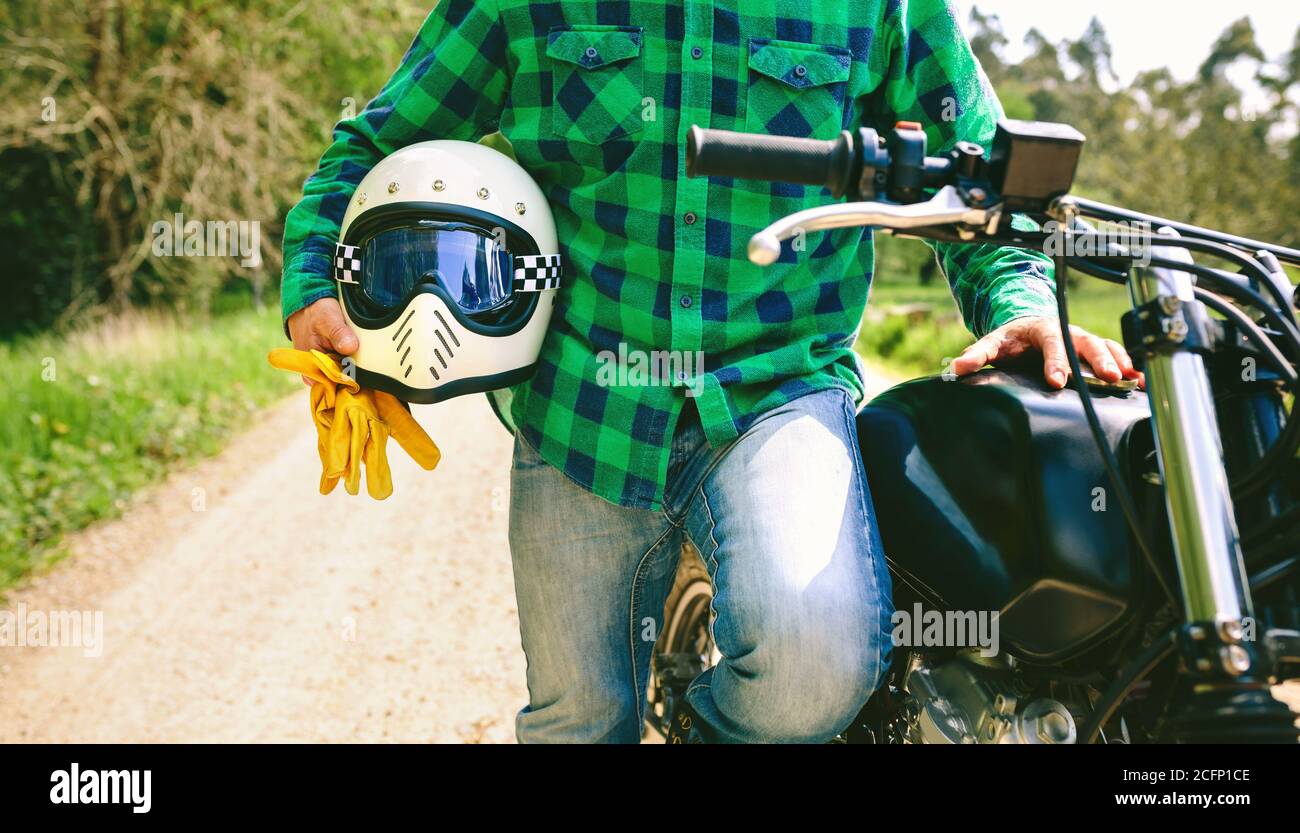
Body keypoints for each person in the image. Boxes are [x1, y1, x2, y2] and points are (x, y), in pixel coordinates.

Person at [281, 0, 1142, 743]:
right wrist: (315, 281)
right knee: (576, 719)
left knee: (819, 664)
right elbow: (371, 140)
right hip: (582, 406)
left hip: (780, 389)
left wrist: (1017, 303)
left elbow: (989, 175)